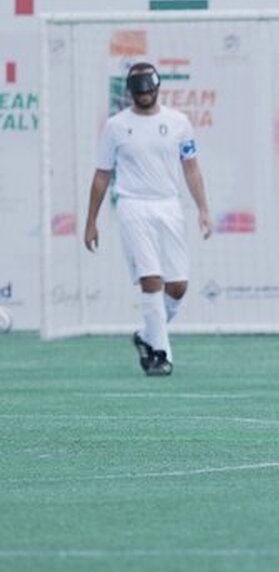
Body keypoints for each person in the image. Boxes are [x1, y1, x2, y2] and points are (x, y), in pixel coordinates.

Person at [84, 62, 213, 376]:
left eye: (149, 89)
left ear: (157, 88)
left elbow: (191, 168)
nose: (144, 95)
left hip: (169, 206)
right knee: (151, 280)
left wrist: (203, 209)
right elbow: (102, 176)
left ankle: (146, 335)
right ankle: (161, 354)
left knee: (178, 285)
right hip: (133, 206)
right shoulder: (115, 126)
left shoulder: (179, 122)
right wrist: (91, 222)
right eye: (138, 90)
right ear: (130, 92)